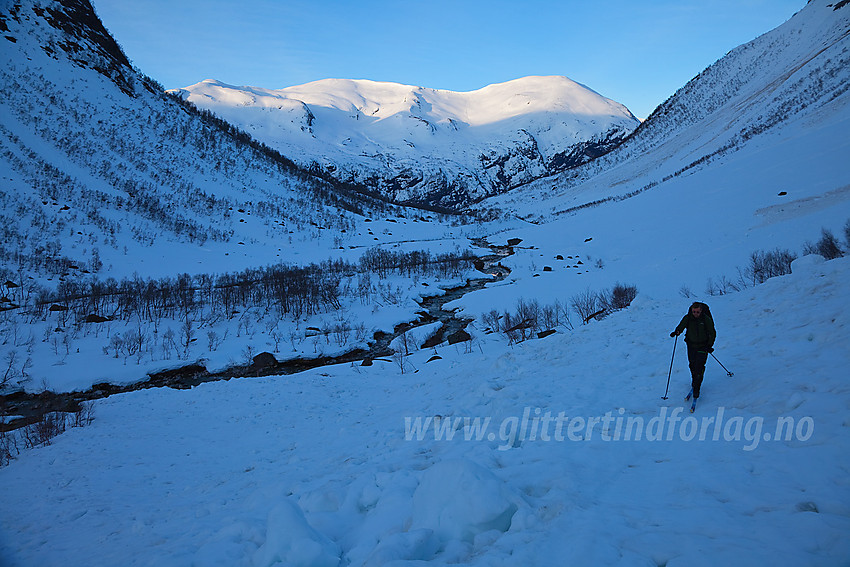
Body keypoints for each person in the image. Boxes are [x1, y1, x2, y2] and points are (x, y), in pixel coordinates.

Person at [670, 302, 716, 400]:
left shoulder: (706, 319)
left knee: (699, 366)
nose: (695, 314)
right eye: (694, 311)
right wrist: (677, 331)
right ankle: (695, 380)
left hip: (703, 346)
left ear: (701, 311)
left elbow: (712, 332)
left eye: (697, 312)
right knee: (692, 365)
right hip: (691, 345)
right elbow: (681, 326)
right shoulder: (688, 318)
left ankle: (697, 387)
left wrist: (709, 345)